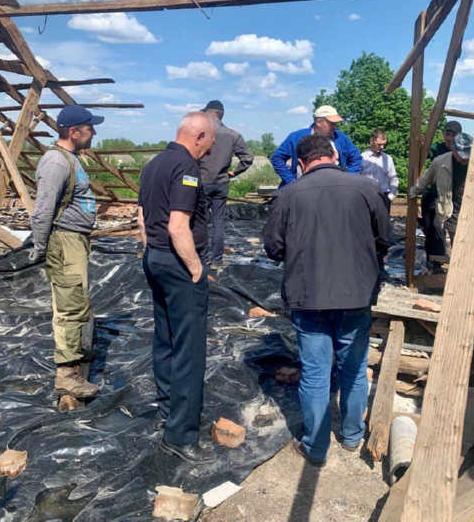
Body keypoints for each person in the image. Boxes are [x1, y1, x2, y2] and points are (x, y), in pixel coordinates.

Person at [264, 134, 390, 466]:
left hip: (308, 298)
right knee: (353, 367)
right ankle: (351, 436)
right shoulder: (365, 188)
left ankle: (316, 447)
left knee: (315, 374)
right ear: (334, 156)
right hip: (356, 295)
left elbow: (273, 249)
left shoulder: (289, 194)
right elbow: (385, 238)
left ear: (301, 164)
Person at [138, 112, 216, 464]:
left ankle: (167, 411)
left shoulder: (154, 163)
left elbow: (141, 217)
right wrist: (196, 268)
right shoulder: (186, 168)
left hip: (154, 258)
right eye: (209, 145)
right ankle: (181, 435)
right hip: (177, 261)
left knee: (165, 339)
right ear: (198, 136)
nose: (208, 153)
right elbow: (178, 226)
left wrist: (149, 251)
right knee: (189, 348)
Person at [30, 105, 103, 398]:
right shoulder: (56, 163)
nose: (93, 132)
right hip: (65, 241)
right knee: (70, 306)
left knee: (76, 302)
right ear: (74, 132)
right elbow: (42, 210)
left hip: (74, 240)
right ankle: (67, 377)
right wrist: (40, 247)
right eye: (89, 128)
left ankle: (75, 362)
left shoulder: (70, 159)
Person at [410, 132, 474, 250]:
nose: (464, 158)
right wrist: (414, 191)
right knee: (458, 245)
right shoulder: (440, 162)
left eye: (467, 154)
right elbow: (425, 179)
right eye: (460, 154)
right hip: (452, 211)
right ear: (453, 149)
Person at [200, 100, 254, 269]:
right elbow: (248, 158)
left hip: (201, 183)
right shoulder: (232, 135)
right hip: (221, 183)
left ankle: (200, 259)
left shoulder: (201, 134)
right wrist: (233, 172)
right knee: (218, 222)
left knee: (199, 221)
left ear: (212, 114)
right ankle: (216, 260)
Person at [270, 105, 362, 187]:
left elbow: (356, 158)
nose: (335, 126)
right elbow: (277, 158)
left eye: (336, 123)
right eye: (331, 123)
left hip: (334, 188)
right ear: (318, 122)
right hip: (302, 189)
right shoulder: (296, 137)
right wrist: (291, 181)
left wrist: (346, 180)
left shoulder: (341, 138)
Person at [420, 120, 462, 271]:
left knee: (456, 230)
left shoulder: (464, 150)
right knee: (432, 229)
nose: (449, 138)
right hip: (433, 194)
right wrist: (421, 146)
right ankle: (435, 264)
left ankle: (459, 263)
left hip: (454, 198)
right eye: (447, 134)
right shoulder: (437, 148)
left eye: (453, 135)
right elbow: (421, 153)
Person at [361, 129, 399, 211]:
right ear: (371, 141)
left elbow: (394, 178)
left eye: (384, 145)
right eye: (379, 144)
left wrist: (391, 196)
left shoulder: (388, 159)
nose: (382, 147)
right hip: (366, 197)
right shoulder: (362, 158)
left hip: (384, 197)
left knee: (383, 224)